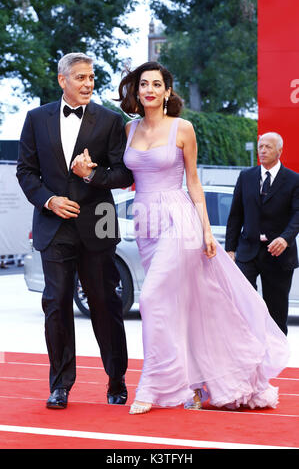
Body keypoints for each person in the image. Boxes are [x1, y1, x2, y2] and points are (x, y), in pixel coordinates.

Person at [114, 61, 289, 415]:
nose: (149, 89)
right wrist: (90, 173)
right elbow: (123, 176)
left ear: (167, 91)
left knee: (149, 299)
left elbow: (193, 182)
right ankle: (195, 385)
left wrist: (207, 229)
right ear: (136, 91)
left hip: (180, 219)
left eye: (156, 84)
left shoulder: (183, 128)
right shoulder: (129, 130)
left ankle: (153, 386)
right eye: (143, 84)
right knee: (182, 305)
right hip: (146, 222)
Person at [17, 52, 134, 409]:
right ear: (62, 80)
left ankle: (116, 379)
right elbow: (26, 172)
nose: (88, 84)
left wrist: (91, 175)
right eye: (80, 77)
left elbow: (125, 174)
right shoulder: (36, 119)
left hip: (97, 225)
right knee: (56, 306)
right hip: (53, 227)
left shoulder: (111, 121)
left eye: (91, 77)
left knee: (105, 304)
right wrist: (49, 201)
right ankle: (60, 385)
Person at [225, 133, 299, 336]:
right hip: (247, 251)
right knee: (242, 303)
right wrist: (230, 249)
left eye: (268, 146)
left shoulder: (293, 180)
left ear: (279, 151)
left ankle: (275, 358)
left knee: (276, 311)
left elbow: (297, 214)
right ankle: (246, 351)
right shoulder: (246, 176)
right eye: (260, 146)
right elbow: (235, 215)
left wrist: (285, 238)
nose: (262, 150)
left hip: (278, 254)